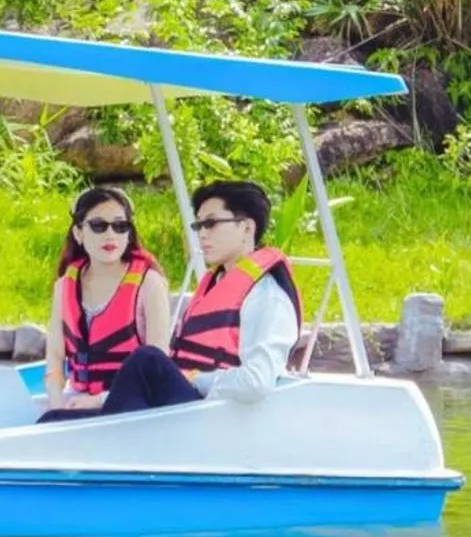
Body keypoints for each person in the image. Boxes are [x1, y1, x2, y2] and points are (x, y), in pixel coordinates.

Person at [42, 179, 300, 421]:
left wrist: (195, 379)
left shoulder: (267, 296)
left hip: (213, 417)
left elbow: (257, 381)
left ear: (247, 228)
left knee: (148, 359)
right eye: (199, 226)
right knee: (59, 416)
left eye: (211, 224)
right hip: (188, 405)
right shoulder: (215, 284)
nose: (202, 234)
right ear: (78, 233)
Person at [41, 186, 172, 415]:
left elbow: (157, 364)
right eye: (98, 226)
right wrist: (56, 402)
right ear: (78, 233)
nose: (110, 235)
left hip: (135, 403)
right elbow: (55, 354)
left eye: (120, 226)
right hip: (78, 397)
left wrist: (100, 400)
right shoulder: (64, 285)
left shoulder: (149, 283)